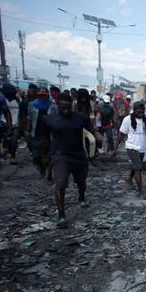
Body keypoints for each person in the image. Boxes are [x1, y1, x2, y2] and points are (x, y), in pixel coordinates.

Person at [41, 92, 98, 228]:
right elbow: (44, 139)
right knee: (60, 185)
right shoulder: (50, 119)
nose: (66, 110)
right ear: (58, 105)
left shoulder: (81, 118)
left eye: (68, 107)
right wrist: (44, 155)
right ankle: (61, 215)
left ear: (72, 105)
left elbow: (91, 132)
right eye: (63, 107)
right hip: (60, 156)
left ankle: (81, 197)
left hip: (78, 154)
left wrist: (95, 145)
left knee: (81, 181)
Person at [116, 102, 146, 197]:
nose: (141, 114)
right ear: (134, 111)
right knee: (138, 167)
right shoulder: (127, 120)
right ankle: (140, 191)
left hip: (141, 147)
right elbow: (121, 134)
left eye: (143, 112)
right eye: (139, 112)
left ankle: (129, 178)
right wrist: (115, 148)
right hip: (131, 146)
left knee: (136, 165)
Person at [27, 87, 57, 183]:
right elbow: (29, 119)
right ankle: (41, 169)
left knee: (49, 156)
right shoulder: (32, 105)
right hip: (36, 133)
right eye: (40, 95)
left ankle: (49, 175)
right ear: (37, 95)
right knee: (36, 156)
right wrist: (27, 130)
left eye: (44, 95)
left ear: (47, 95)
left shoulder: (53, 106)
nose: (42, 97)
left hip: (49, 134)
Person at [1, 83, 21, 165]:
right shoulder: (1, 100)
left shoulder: (18, 100)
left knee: (14, 141)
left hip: (15, 124)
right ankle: (4, 154)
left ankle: (13, 156)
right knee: (5, 142)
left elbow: (20, 113)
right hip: (3, 123)